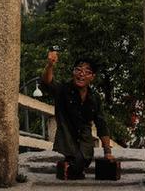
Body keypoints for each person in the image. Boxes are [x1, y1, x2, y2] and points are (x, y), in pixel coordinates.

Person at [41, 50, 114, 179]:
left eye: (87, 72)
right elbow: (48, 82)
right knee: (77, 162)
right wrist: (50, 65)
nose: (81, 74)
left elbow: (101, 124)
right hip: (67, 136)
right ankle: (70, 168)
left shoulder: (95, 98)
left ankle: (68, 168)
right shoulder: (63, 89)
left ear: (92, 77)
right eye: (78, 70)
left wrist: (107, 152)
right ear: (73, 72)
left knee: (83, 160)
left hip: (85, 140)